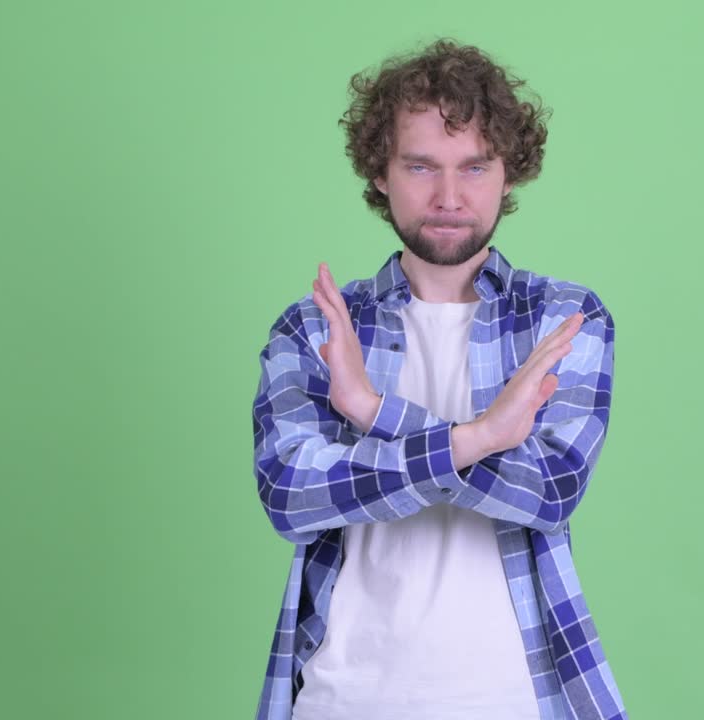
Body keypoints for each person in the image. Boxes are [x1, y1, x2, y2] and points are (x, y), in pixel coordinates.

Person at [251, 38, 626, 720]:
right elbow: (292, 496)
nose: (449, 196)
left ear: (508, 174)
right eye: (421, 166)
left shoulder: (563, 321)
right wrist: (481, 436)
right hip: (342, 698)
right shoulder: (315, 331)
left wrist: (373, 409)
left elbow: (547, 492)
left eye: (474, 167)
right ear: (381, 174)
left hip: (515, 698)